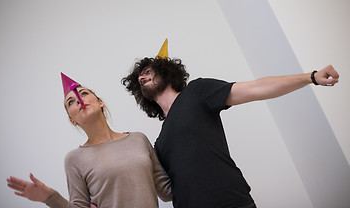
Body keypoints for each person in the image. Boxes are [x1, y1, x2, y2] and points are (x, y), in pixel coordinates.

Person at [121, 39, 339, 208]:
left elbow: (256, 88)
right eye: (140, 78)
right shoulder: (159, 143)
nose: (142, 77)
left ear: (165, 70)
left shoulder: (197, 92)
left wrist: (311, 77)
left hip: (231, 201)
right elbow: (162, 191)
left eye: (148, 71)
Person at [7, 73, 172, 208]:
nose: (79, 99)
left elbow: (167, 192)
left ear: (100, 102)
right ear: (73, 120)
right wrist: (49, 197)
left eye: (84, 93)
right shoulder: (74, 159)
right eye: (71, 102)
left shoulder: (138, 139)